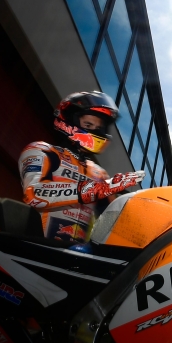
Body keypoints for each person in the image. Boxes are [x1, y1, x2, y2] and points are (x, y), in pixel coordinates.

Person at [19, 91, 144, 244]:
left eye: (100, 128)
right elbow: (33, 194)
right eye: (88, 125)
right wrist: (93, 190)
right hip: (35, 246)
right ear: (69, 121)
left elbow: (112, 221)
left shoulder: (99, 173)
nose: (96, 131)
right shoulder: (43, 151)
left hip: (78, 257)